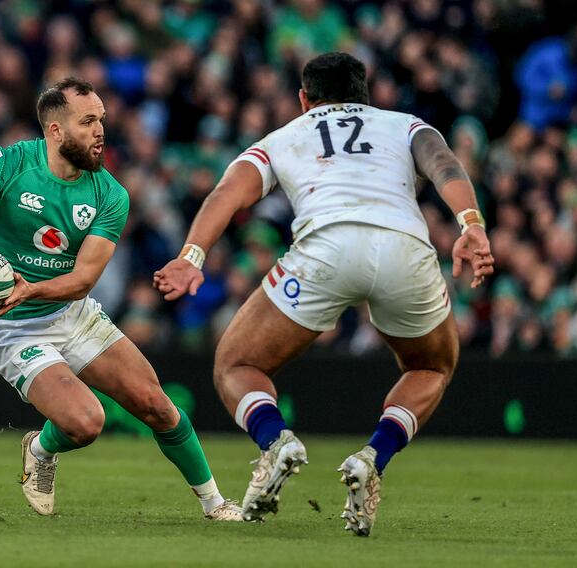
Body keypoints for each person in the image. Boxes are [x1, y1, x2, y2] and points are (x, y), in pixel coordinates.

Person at [154, 52, 494, 536]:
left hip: (326, 249)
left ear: (303, 99)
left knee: (236, 365)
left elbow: (227, 193)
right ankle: (374, 456)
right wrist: (471, 224)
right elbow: (445, 165)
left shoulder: (284, 136)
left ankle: (276, 443)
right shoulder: (404, 124)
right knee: (431, 367)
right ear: (366, 95)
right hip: (405, 248)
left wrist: (192, 256)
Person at [0, 77, 241, 521]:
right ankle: (42, 449)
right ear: (55, 130)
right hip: (13, 327)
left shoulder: (110, 195)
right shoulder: (10, 165)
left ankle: (215, 504)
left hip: (73, 312)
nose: (100, 130)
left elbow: (83, 280)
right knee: (86, 423)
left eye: (101, 119)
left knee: (158, 407)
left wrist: (30, 288)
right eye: (87, 122)